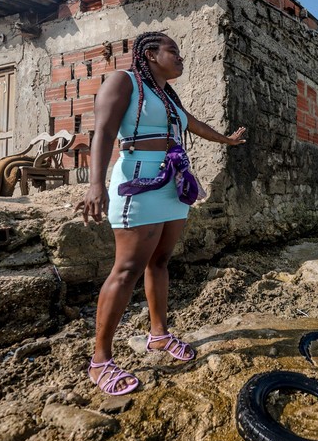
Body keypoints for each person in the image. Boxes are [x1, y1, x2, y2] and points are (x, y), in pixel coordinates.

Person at [76, 31, 246, 395]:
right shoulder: (123, 82)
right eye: (174, 51)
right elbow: (103, 132)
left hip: (173, 183)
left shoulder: (167, 96)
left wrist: (227, 140)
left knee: (160, 262)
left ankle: (158, 335)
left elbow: (194, 125)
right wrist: (95, 186)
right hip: (138, 181)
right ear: (151, 54)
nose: (180, 58)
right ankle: (100, 360)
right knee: (126, 270)